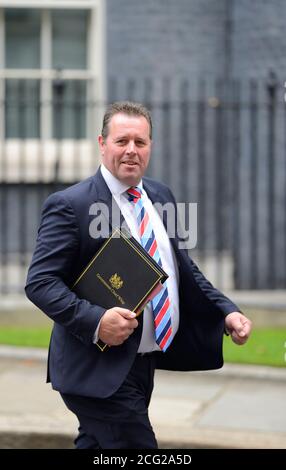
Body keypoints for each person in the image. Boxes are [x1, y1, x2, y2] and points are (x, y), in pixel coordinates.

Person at [25, 101, 252, 449]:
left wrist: (226, 310)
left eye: (140, 142)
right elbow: (40, 283)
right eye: (121, 141)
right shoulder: (71, 205)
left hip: (142, 363)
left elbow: (182, 268)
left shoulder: (161, 196)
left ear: (150, 147)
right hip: (95, 369)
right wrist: (97, 320)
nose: (131, 150)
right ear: (102, 144)